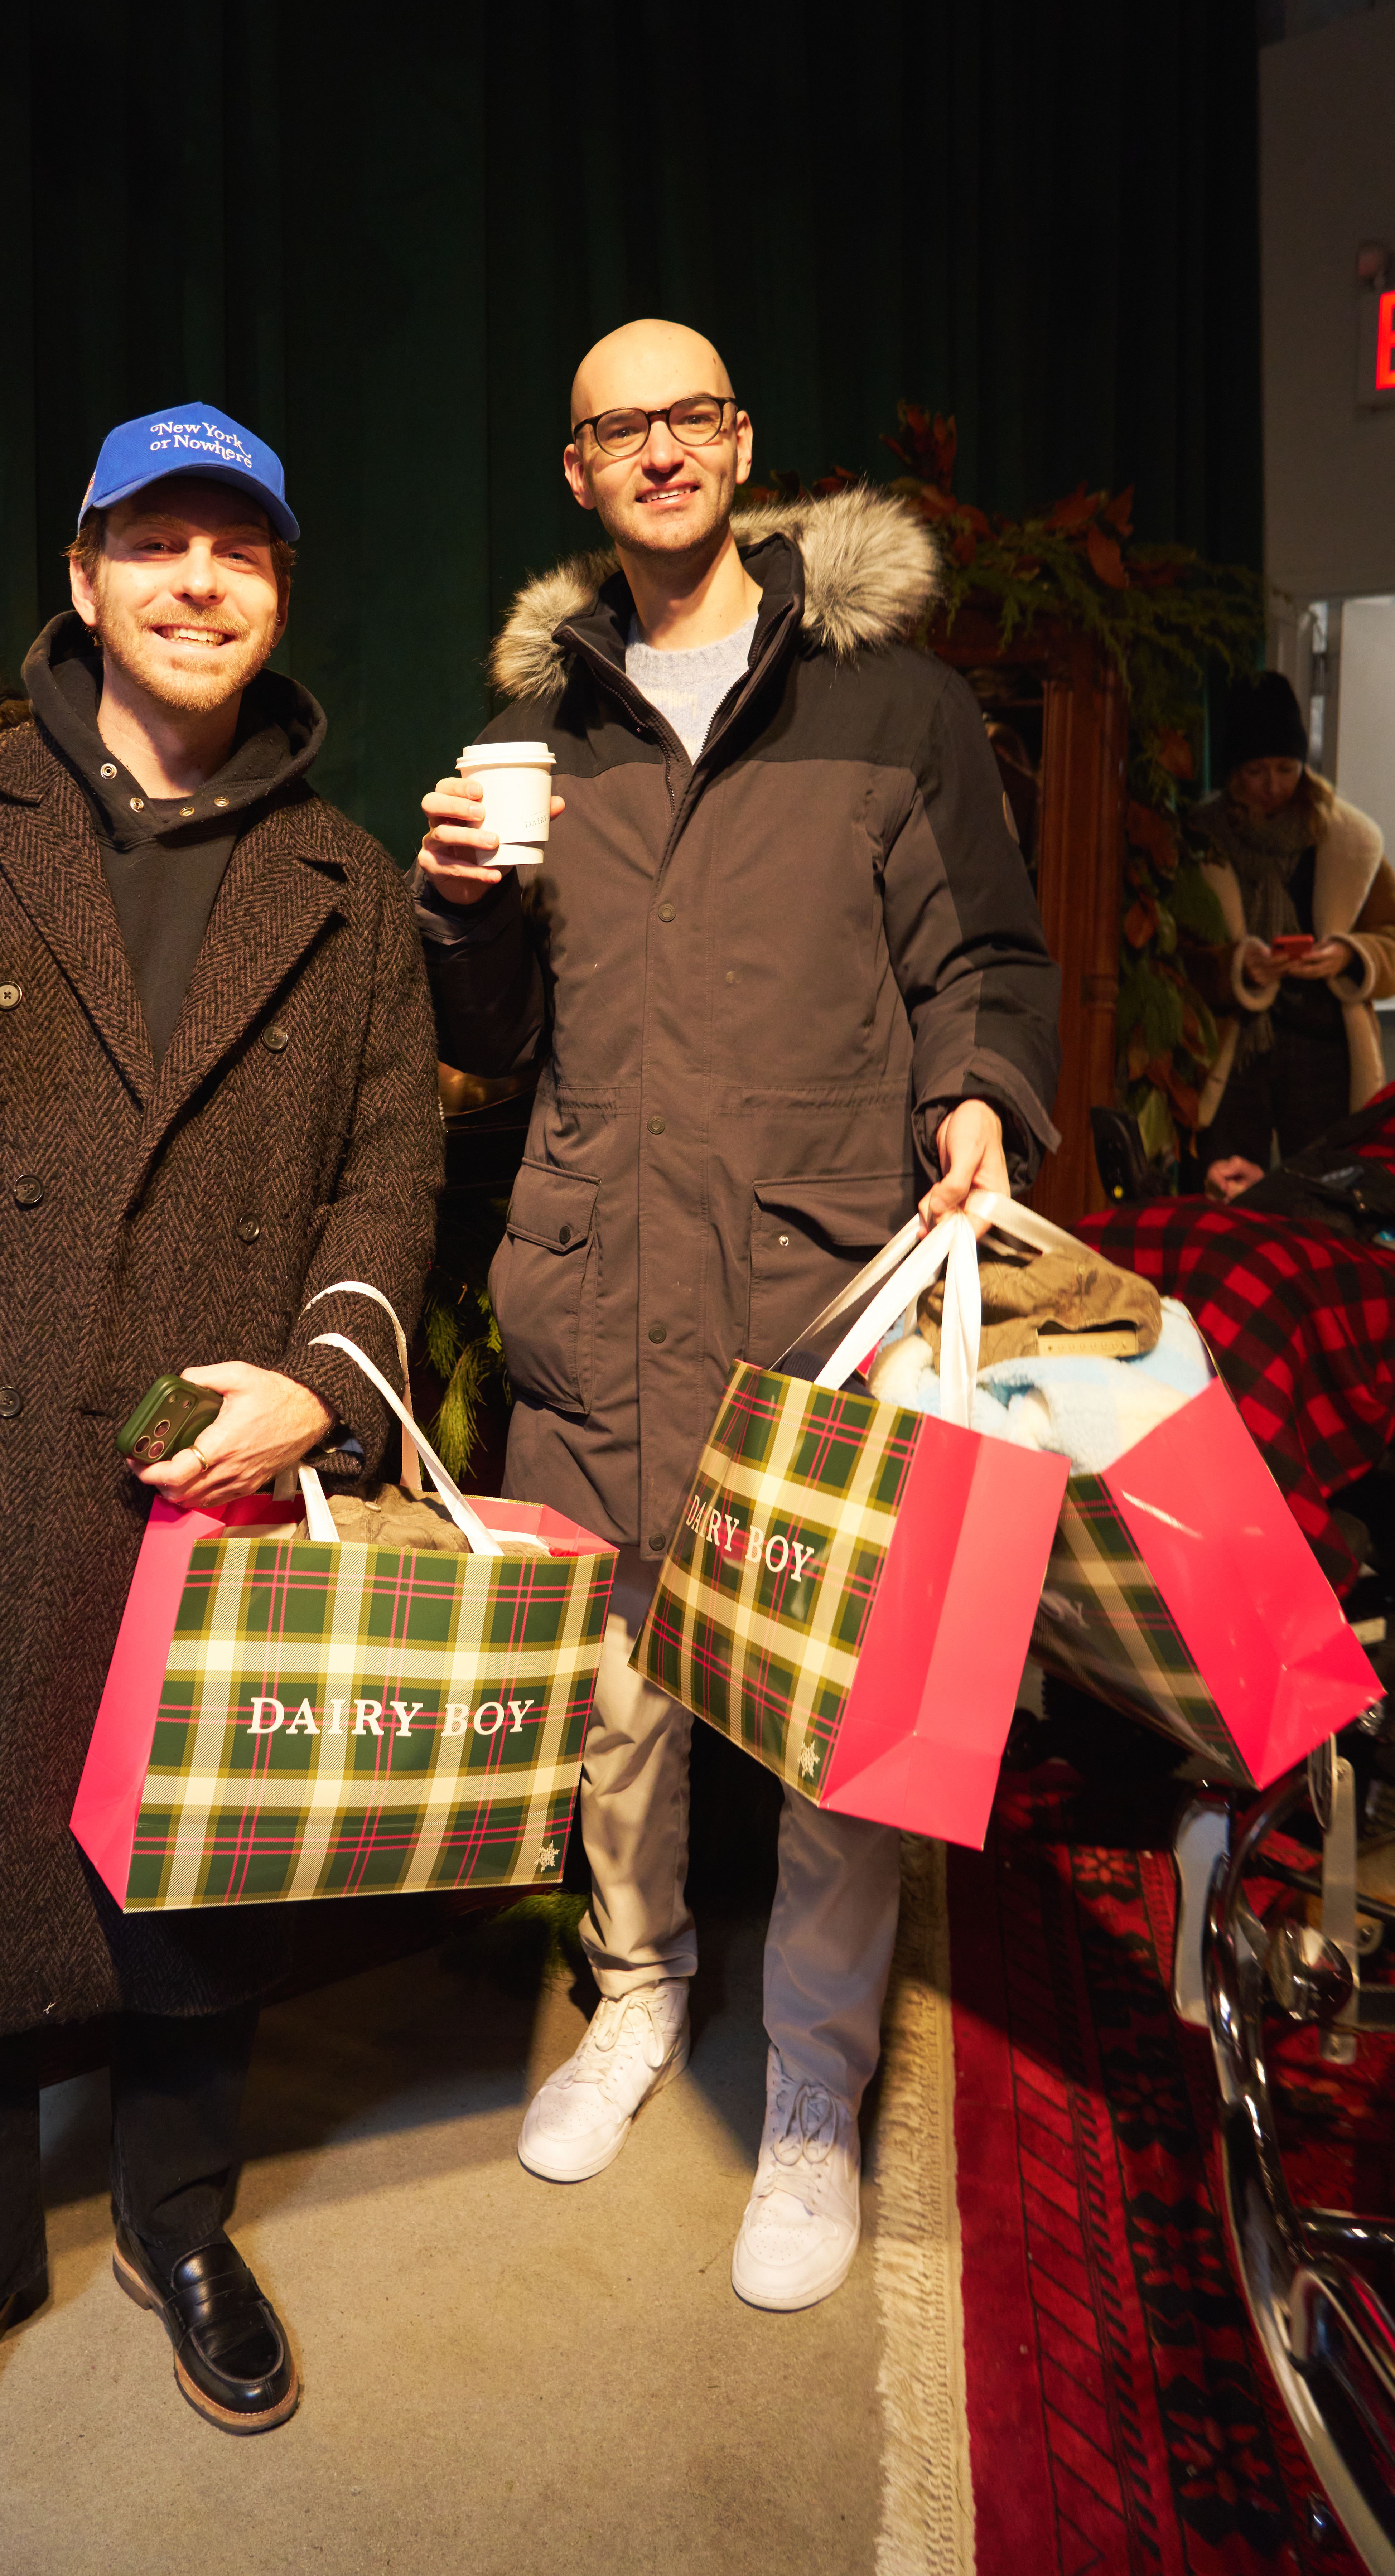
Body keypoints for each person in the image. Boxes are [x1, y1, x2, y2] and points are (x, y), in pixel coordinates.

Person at [0, 402, 440, 2510]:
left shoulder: (348, 877)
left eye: (238, 546)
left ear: (280, 589)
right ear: (85, 574)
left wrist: (320, 1389)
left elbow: (390, 1187)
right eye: (157, 542)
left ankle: (179, 2218)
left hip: (211, 1448)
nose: (197, 579)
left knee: (197, 1866)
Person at [415, 319, 1059, 2310]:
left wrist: (974, 1090)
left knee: (835, 1699)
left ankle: (806, 2087)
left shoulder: (891, 704)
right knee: (618, 1698)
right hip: (603, 1268)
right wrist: (456, 919)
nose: (661, 451)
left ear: (741, 444)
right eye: (620, 428)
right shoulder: (548, 735)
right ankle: (636, 1992)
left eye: (690, 416)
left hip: (822, 1267)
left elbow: (982, 951)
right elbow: (494, 1044)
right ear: (578, 473)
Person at [1190, 671, 1395, 1203]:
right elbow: (1176, 956)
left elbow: (1393, 940)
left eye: (1286, 768)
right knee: (1227, 1196)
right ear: (1234, 772)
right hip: (1236, 1050)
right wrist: (1239, 967)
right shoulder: (1204, 840)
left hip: (1325, 1047)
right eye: (1256, 771)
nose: (1273, 784)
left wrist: (1349, 955)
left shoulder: (1348, 840)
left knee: (1326, 1193)